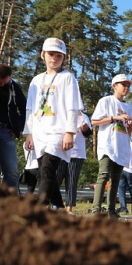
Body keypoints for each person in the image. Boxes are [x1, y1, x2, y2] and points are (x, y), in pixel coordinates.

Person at [24, 38, 82, 209]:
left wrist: (70, 132)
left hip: (58, 131)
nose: (55, 58)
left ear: (64, 58)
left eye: (59, 55)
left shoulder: (68, 78)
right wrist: (29, 133)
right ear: (43, 55)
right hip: (39, 133)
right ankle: (60, 208)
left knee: (48, 169)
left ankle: (41, 207)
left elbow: (73, 107)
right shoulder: (36, 80)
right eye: (51, 54)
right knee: (43, 173)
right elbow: (30, 108)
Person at [89, 74, 132, 217]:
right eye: (123, 85)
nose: (126, 88)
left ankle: (111, 210)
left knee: (116, 178)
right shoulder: (106, 101)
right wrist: (115, 117)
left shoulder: (129, 107)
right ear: (114, 86)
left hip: (121, 146)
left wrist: (130, 124)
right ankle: (96, 208)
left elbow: (130, 132)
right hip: (108, 145)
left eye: (128, 86)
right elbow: (94, 121)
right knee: (103, 175)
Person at [55, 112, 91, 215]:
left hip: (77, 154)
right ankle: (51, 205)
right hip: (61, 151)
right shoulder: (63, 113)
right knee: (55, 179)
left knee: (72, 181)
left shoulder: (83, 117)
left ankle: (69, 209)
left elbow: (87, 133)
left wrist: (84, 127)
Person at [117, 140, 132, 214]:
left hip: (121, 169)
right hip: (131, 170)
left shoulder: (120, 144)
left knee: (121, 190)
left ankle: (123, 208)